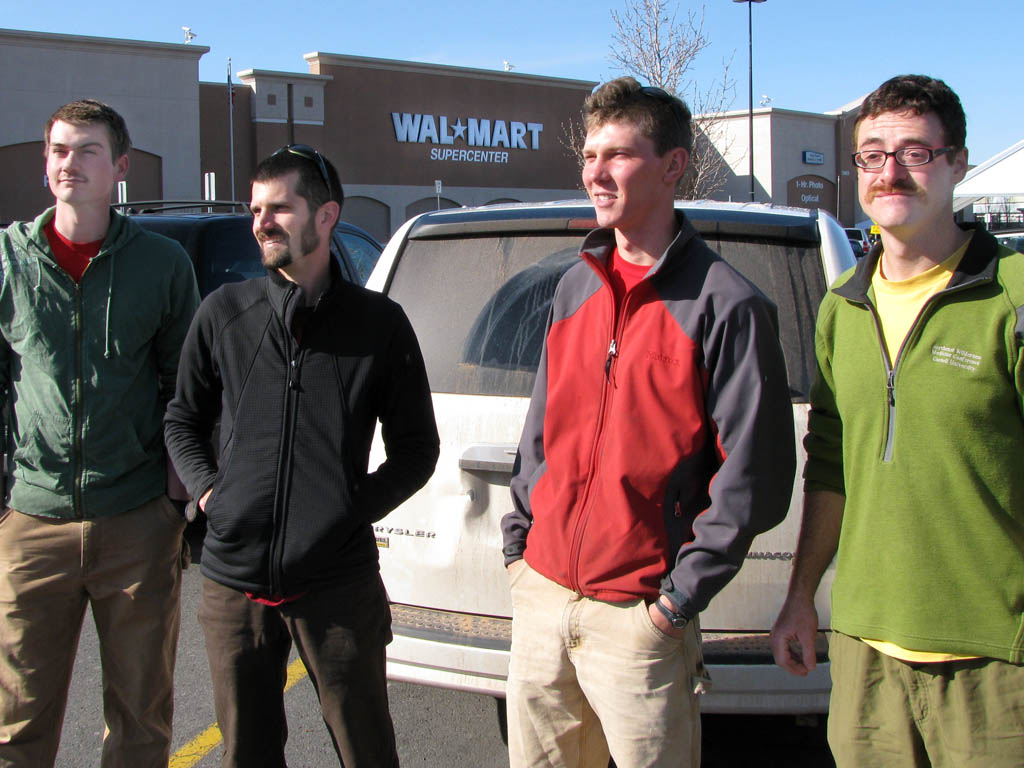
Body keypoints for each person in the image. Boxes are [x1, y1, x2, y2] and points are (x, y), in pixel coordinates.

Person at [501, 77, 795, 768]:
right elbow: (540, 433)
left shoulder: (727, 306)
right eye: (589, 155)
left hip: (638, 622)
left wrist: (675, 602)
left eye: (618, 155)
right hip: (543, 598)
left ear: (672, 166)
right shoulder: (575, 285)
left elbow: (756, 478)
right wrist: (520, 550)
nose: (595, 173)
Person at [770, 74, 1024, 766]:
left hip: (995, 660)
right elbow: (830, 464)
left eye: (915, 152)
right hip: (865, 651)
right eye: (873, 154)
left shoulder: (1012, 295)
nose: (891, 171)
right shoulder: (842, 307)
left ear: (957, 162)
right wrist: (800, 597)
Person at [164, 144, 439, 768]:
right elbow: (183, 418)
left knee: (365, 748)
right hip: (234, 585)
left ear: (326, 215)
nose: (261, 221)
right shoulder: (224, 314)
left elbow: (417, 450)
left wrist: (346, 509)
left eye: (280, 207)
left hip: (339, 586)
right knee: (247, 754)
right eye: (256, 208)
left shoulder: (380, 325)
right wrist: (210, 490)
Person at [0, 100, 200, 767]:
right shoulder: (8, 261)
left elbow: (186, 387)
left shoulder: (163, 264)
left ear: (119, 167)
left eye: (87, 150)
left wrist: (174, 500)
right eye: (58, 149)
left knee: (141, 715)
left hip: (136, 518)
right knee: (16, 718)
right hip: (31, 521)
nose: (69, 163)